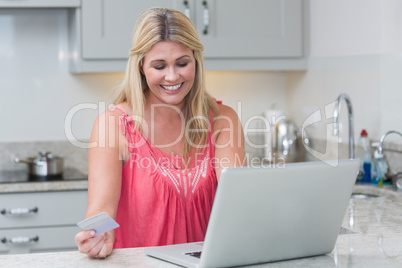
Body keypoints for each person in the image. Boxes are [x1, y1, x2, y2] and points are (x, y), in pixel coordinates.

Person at [75, 7, 245, 258]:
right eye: (159, 65)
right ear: (141, 67)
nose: (172, 76)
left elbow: (238, 201)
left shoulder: (222, 120)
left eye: (182, 63)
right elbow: (100, 212)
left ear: (196, 61)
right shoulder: (113, 125)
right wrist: (96, 236)